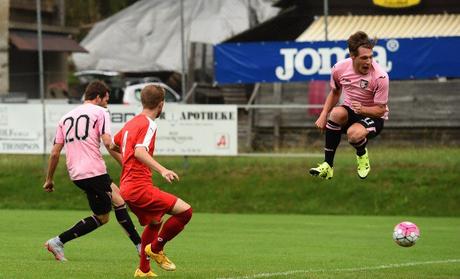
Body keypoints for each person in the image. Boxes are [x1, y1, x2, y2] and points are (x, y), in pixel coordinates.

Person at [43, 80, 142, 261]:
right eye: (106, 99)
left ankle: (57, 242)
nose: (107, 103)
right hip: (93, 171)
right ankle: (140, 246)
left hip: (77, 173)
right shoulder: (100, 112)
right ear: (98, 97)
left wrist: (49, 179)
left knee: (105, 214)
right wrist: (126, 164)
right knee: (117, 203)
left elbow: (55, 153)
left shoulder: (65, 118)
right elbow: (108, 143)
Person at [111, 84, 192, 277]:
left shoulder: (131, 123)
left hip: (127, 187)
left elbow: (113, 144)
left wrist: (126, 165)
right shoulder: (148, 124)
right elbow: (139, 152)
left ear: (142, 101)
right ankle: (156, 249)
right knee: (185, 212)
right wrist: (163, 170)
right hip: (139, 187)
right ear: (161, 104)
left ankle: (143, 270)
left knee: (155, 222)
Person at [309, 31, 389, 179]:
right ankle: (328, 166)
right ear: (352, 56)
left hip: (373, 116)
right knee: (335, 113)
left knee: (353, 135)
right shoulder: (339, 69)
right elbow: (335, 92)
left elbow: (381, 110)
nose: (369, 62)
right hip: (350, 112)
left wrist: (363, 109)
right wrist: (323, 115)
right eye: (364, 58)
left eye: (371, 57)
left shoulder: (380, 77)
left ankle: (362, 154)